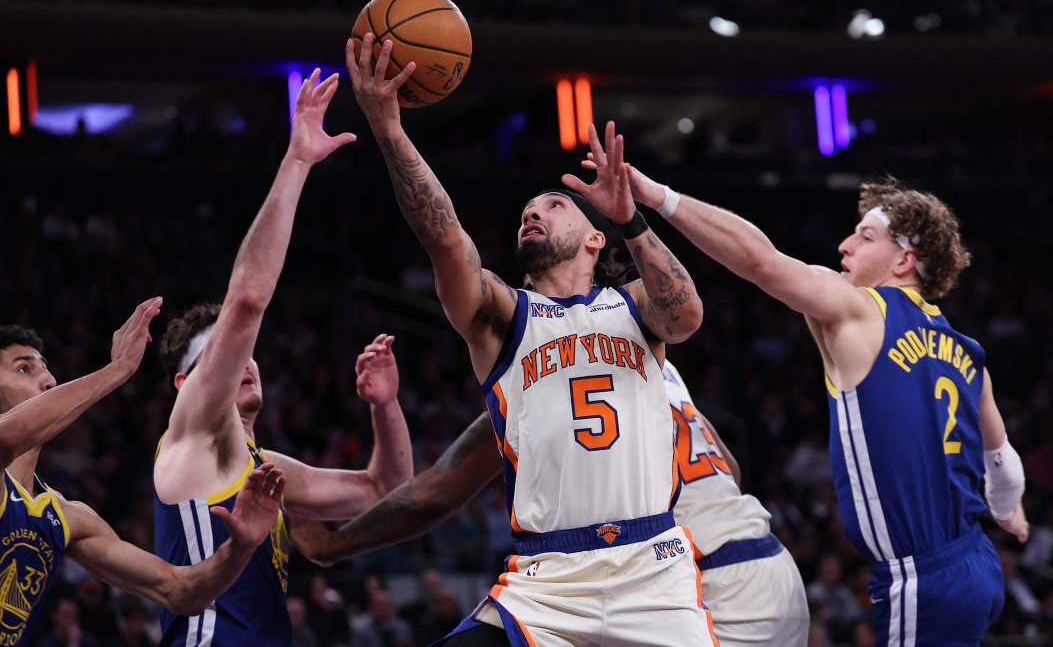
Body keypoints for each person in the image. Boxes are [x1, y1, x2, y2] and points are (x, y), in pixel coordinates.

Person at [344, 33, 710, 645]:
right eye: (526, 211)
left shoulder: (635, 306)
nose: (533, 213)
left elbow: (687, 316)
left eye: (554, 205)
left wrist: (631, 220)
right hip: (547, 577)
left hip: (654, 568)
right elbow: (445, 238)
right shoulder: (501, 315)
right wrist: (391, 132)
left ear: (595, 239)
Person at [612, 163, 1029, 646]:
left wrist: (657, 196)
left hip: (924, 577)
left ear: (903, 261)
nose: (844, 246)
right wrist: (1008, 511)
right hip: (977, 559)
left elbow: (761, 261)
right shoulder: (970, 354)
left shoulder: (860, 309)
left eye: (865, 237)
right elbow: (1003, 463)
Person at [152, 69, 414, 646]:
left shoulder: (264, 469)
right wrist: (297, 162)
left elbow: (387, 490)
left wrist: (385, 407)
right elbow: (246, 301)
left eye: (247, 354)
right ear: (184, 383)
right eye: (216, 355)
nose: (243, 361)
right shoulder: (193, 437)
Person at [297, 358, 810, 646]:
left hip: (699, 589)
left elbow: (433, 496)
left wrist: (332, 546)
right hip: (766, 567)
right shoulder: (659, 359)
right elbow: (728, 467)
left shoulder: (548, 363)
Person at [0, 312, 284, 647]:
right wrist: (119, 368)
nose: (49, 380)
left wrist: (241, 547)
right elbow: (7, 436)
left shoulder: (64, 515)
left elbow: (178, 590)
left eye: (45, 368)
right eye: (24, 368)